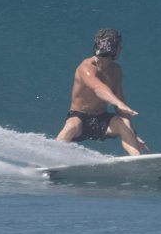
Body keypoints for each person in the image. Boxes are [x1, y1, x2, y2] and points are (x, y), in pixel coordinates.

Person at [56, 27, 148, 155]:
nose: (121, 49)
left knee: (123, 125)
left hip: (101, 119)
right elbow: (98, 89)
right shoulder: (86, 68)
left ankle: (139, 162)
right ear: (112, 48)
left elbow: (121, 106)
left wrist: (133, 134)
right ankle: (51, 159)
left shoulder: (116, 71)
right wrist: (118, 103)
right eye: (119, 46)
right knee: (71, 126)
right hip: (80, 118)